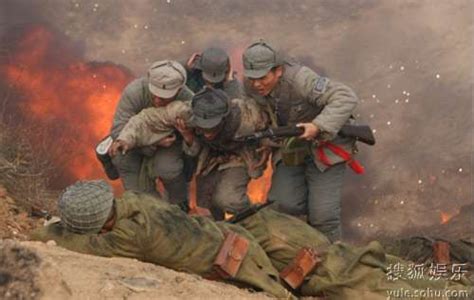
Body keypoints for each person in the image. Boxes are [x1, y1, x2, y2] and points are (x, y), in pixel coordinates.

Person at [30, 180, 471, 299]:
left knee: (363, 283)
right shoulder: (137, 205)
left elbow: (64, 242)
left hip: (266, 253)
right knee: (358, 259)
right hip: (262, 230)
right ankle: (451, 280)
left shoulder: (125, 238)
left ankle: (456, 291)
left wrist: (50, 227)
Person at [243, 40, 361, 242]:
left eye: (262, 78)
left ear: (278, 70)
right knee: (281, 204)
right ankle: (296, 250)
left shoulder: (300, 79)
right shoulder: (250, 86)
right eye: (252, 78)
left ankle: (333, 261)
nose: (256, 84)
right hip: (290, 150)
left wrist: (318, 126)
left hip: (326, 150)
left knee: (323, 216)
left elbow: (346, 97)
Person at [109, 60, 193, 206]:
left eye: (164, 97)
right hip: (135, 144)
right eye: (154, 94)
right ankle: (150, 207)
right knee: (121, 158)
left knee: (168, 169)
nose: (157, 100)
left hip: (170, 144)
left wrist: (186, 135)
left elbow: (198, 138)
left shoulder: (188, 99)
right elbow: (118, 130)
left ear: (179, 90)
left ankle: (180, 205)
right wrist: (152, 142)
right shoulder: (134, 92)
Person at [177, 87, 270, 219]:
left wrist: (266, 145)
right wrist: (188, 137)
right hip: (209, 159)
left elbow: (269, 125)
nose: (207, 133)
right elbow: (194, 151)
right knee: (205, 206)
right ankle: (218, 231)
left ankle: (254, 220)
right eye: (204, 127)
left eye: (212, 127)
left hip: (238, 156)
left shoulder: (248, 118)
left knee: (229, 200)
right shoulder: (189, 118)